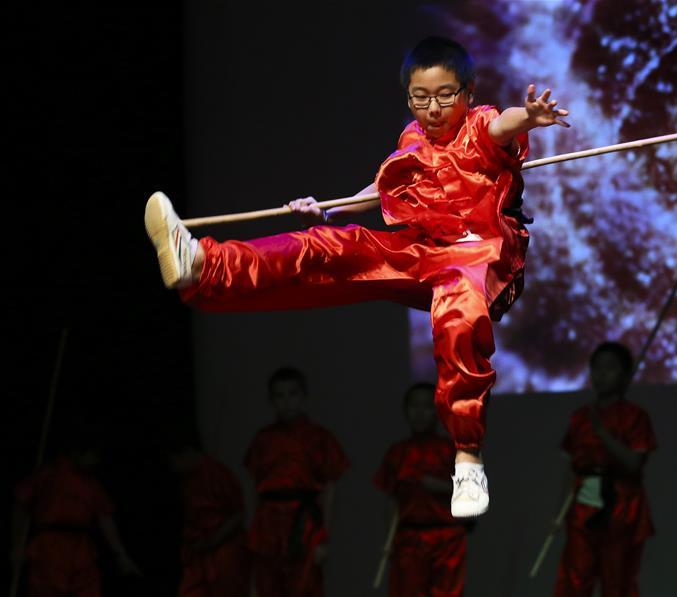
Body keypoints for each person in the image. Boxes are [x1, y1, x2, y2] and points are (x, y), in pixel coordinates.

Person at [144, 36, 571, 517]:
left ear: (468, 92)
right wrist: (329, 209)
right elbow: (383, 188)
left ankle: (468, 456)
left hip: (483, 259)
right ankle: (203, 263)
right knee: (326, 247)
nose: (432, 109)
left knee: (456, 310)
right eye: (420, 97)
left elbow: (503, 125)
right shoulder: (413, 138)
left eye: (445, 95)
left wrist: (528, 117)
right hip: (424, 253)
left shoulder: (479, 125)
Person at [553, 342, 656, 597]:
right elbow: (571, 468)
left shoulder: (635, 416)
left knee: (616, 580)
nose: (601, 374)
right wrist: (559, 514)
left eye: (610, 368)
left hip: (622, 506)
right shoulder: (580, 417)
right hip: (583, 505)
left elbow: (634, 463)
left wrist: (603, 434)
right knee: (576, 578)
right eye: (596, 368)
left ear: (625, 375)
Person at [244, 367, 349, 597]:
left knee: (305, 587)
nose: (286, 402)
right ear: (271, 400)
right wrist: (254, 530)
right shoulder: (263, 439)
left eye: (292, 394)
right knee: (268, 586)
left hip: (304, 523)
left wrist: (323, 536)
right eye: (279, 396)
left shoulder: (319, 437)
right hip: (268, 523)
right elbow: (254, 489)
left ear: (303, 396)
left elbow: (330, 488)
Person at [11, 436, 141, 597]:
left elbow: (105, 516)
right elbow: (21, 504)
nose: (96, 460)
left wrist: (120, 554)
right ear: (77, 452)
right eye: (93, 455)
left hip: (81, 549)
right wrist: (17, 545)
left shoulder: (92, 484)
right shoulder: (49, 474)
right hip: (50, 547)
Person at [374, 382, 471, 596]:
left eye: (427, 407)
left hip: (447, 538)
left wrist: (441, 486)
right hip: (409, 540)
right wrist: (389, 539)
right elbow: (392, 500)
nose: (419, 413)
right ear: (405, 410)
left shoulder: (452, 450)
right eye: (414, 406)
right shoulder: (398, 452)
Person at [164, 431, 250, 597]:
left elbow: (238, 514)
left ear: (186, 452)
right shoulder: (185, 480)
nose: (172, 466)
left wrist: (212, 542)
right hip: (197, 550)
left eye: (173, 460)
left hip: (223, 549)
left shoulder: (217, 473)